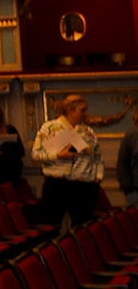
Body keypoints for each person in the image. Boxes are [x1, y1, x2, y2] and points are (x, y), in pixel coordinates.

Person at [33, 93, 102, 226]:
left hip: (85, 185)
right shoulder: (50, 128)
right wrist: (58, 156)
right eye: (82, 110)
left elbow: (98, 157)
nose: (86, 113)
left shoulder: (87, 131)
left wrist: (98, 176)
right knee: (51, 225)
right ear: (70, 109)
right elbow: (36, 154)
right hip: (57, 184)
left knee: (83, 228)